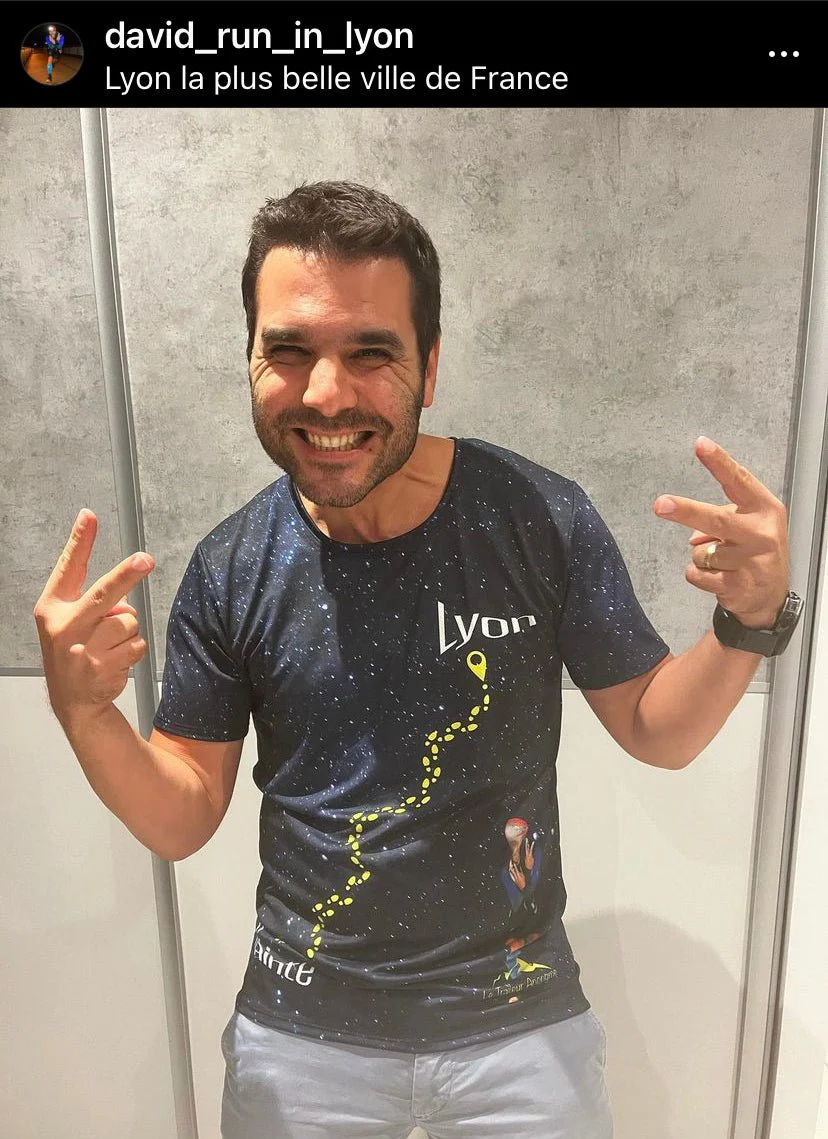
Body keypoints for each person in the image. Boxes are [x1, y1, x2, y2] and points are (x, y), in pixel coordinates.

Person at [34, 181, 799, 1139]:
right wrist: (86, 712)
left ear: (429, 367)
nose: (326, 393)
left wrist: (747, 619)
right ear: (250, 360)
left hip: (520, 1024)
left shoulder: (536, 516)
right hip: (300, 1037)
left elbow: (658, 726)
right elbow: (182, 812)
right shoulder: (231, 566)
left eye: (371, 352)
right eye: (288, 350)